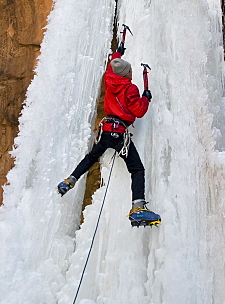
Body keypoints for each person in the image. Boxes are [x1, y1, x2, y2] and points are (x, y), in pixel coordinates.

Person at [56, 41, 161, 227]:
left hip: (105, 131)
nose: (131, 73)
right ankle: (138, 208)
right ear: (127, 73)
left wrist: (117, 53)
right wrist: (146, 97)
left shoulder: (109, 79)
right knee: (137, 169)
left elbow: (113, 65)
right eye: (130, 71)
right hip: (119, 135)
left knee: (91, 157)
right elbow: (139, 111)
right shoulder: (130, 88)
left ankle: (69, 181)